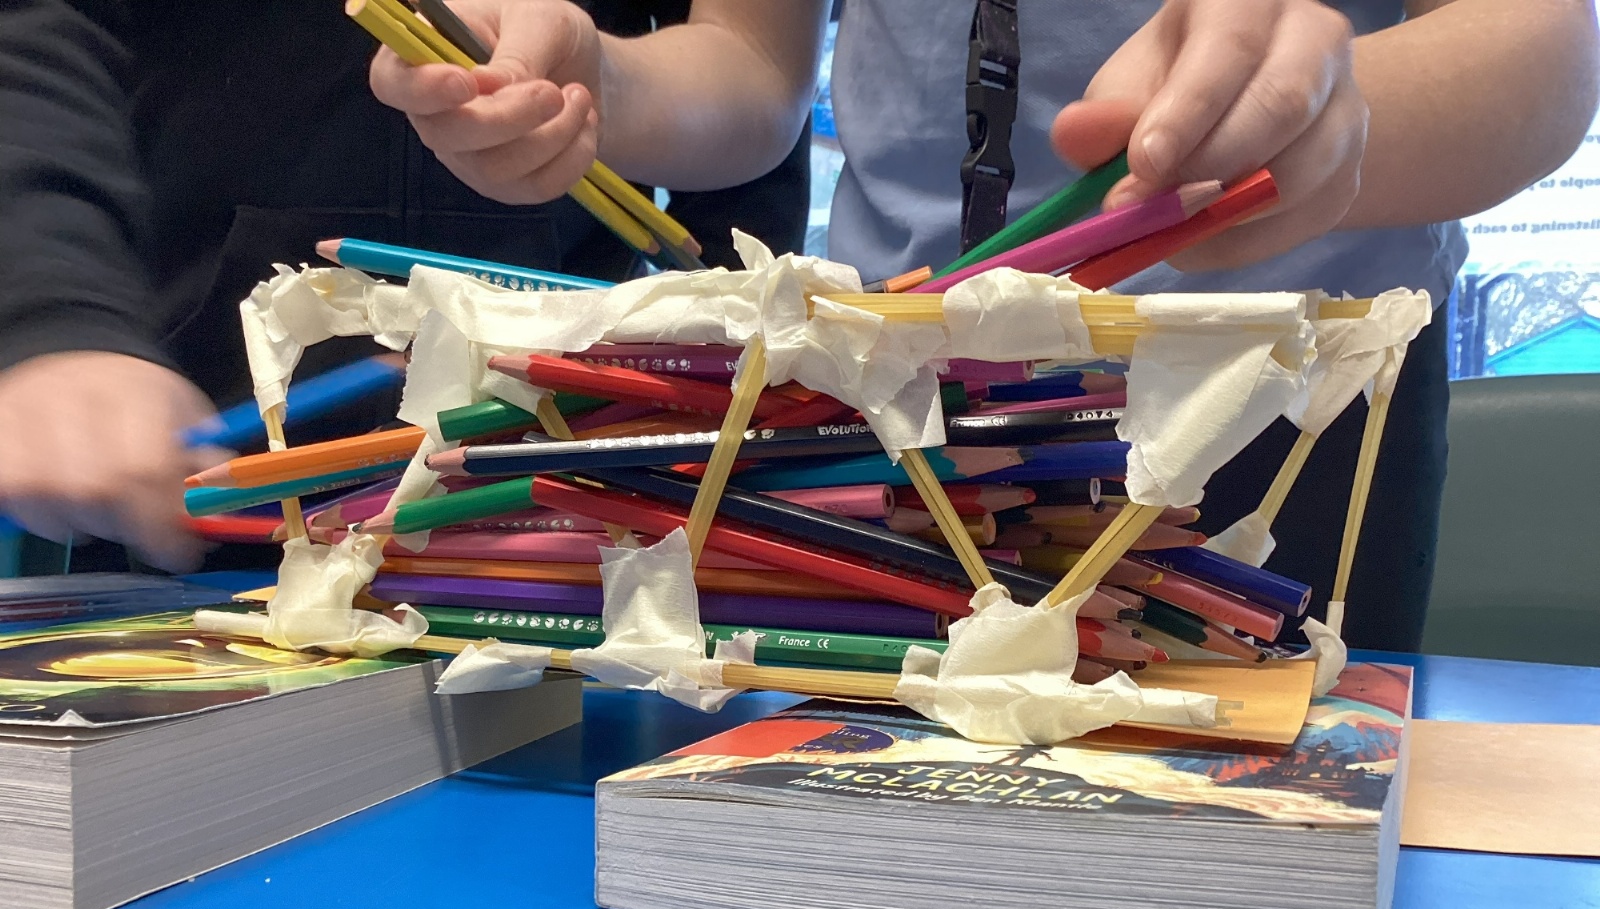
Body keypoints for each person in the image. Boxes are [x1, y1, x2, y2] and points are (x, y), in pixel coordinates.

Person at [367, 0, 1599, 650]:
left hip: (1278, 397)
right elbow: (752, 62)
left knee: (1247, 903)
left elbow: (1541, 44)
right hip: (885, 411)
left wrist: (1335, 116)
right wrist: (596, 78)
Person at [0, 0, 814, 572]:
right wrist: (52, 310)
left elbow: (758, 69)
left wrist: (597, 87)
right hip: (175, 447)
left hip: (572, 475)